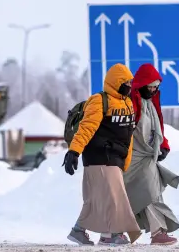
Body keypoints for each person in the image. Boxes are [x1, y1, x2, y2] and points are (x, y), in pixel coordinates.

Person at [63, 63, 141, 246]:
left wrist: (126, 161)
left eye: (131, 82)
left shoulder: (127, 103)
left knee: (97, 199)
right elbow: (86, 128)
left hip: (115, 158)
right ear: (116, 82)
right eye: (126, 82)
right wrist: (74, 151)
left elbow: (128, 136)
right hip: (99, 156)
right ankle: (115, 234)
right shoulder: (99, 100)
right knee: (115, 197)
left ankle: (82, 231)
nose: (129, 86)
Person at [123, 63, 179, 245]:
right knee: (138, 193)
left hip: (148, 157)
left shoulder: (151, 103)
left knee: (151, 192)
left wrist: (164, 145)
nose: (154, 90)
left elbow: (158, 128)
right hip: (132, 157)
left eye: (157, 87)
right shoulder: (131, 102)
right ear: (142, 84)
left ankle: (158, 232)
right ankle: (109, 230)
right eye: (151, 86)